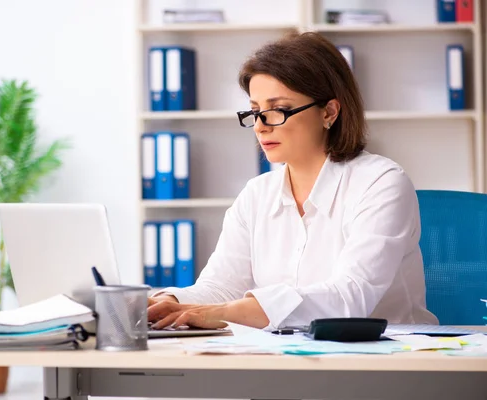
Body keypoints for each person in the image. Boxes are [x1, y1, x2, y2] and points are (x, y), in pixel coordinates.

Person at [147, 30, 439, 331]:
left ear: (329, 112)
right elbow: (220, 287)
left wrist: (225, 312)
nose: (260, 127)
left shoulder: (381, 183)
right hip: (290, 359)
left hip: (389, 360)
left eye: (278, 111)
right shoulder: (256, 195)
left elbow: (350, 297)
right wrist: (169, 302)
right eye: (256, 111)